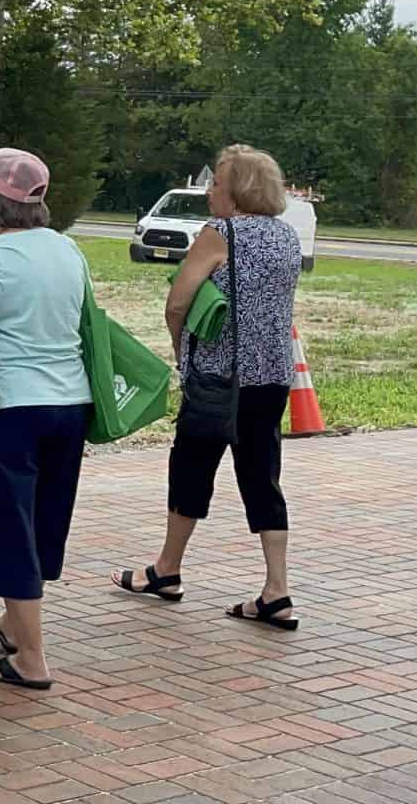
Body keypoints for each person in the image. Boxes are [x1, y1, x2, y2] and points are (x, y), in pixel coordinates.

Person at [113, 144, 303, 629]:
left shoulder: (219, 234)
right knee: (262, 475)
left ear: (237, 189)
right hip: (272, 377)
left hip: (221, 377)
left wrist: (183, 355)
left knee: (193, 466)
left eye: (216, 182)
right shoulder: (286, 237)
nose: (209, 191)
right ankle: (276, 590)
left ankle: (166, 569)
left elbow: (178, 304)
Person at [0, 148, 90, 692]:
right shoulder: (71, 251)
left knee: (10, 523)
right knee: (44, 519)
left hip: (12, 405)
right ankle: (16, 624)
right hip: (72, 402)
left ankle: (31, 657)